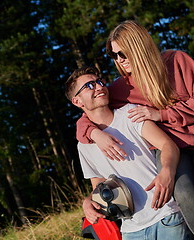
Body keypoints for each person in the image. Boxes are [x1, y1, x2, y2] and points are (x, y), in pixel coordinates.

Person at [75, 20, 194, 232]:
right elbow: (90, 111)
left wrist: (162, 114)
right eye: (114, 55)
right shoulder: (123, 88)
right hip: (174, 150)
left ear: (139, 46)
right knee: (185, 192)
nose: (119, 60)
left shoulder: (176, 61)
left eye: (123, 53)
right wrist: (94, 133)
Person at [65, 66, 192, 239]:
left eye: (100, 81)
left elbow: (168, 145)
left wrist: (167, 171)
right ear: (77, 101)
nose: (99, 86)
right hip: (131, 230)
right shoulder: (84, 146)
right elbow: (99, 185)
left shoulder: (129, 114)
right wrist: (87, 202)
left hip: (167, 216)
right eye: (89, 85)